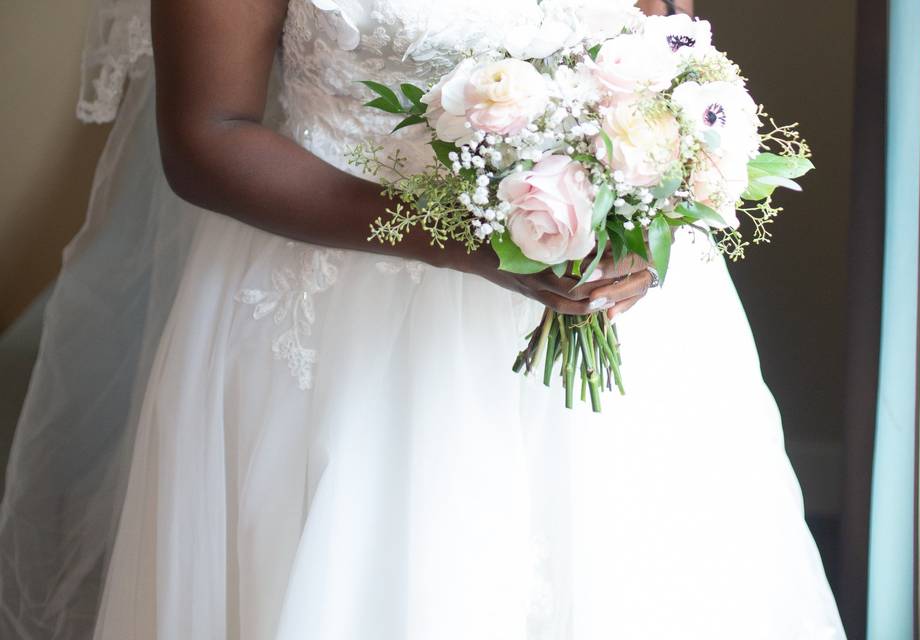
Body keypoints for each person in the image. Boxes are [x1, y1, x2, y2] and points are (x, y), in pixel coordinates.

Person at [0, 0, 846, 637]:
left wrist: (654, 211)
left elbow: (670, 59)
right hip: (341, 330)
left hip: (626, 324)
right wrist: (470, 244)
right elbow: (205, 135)